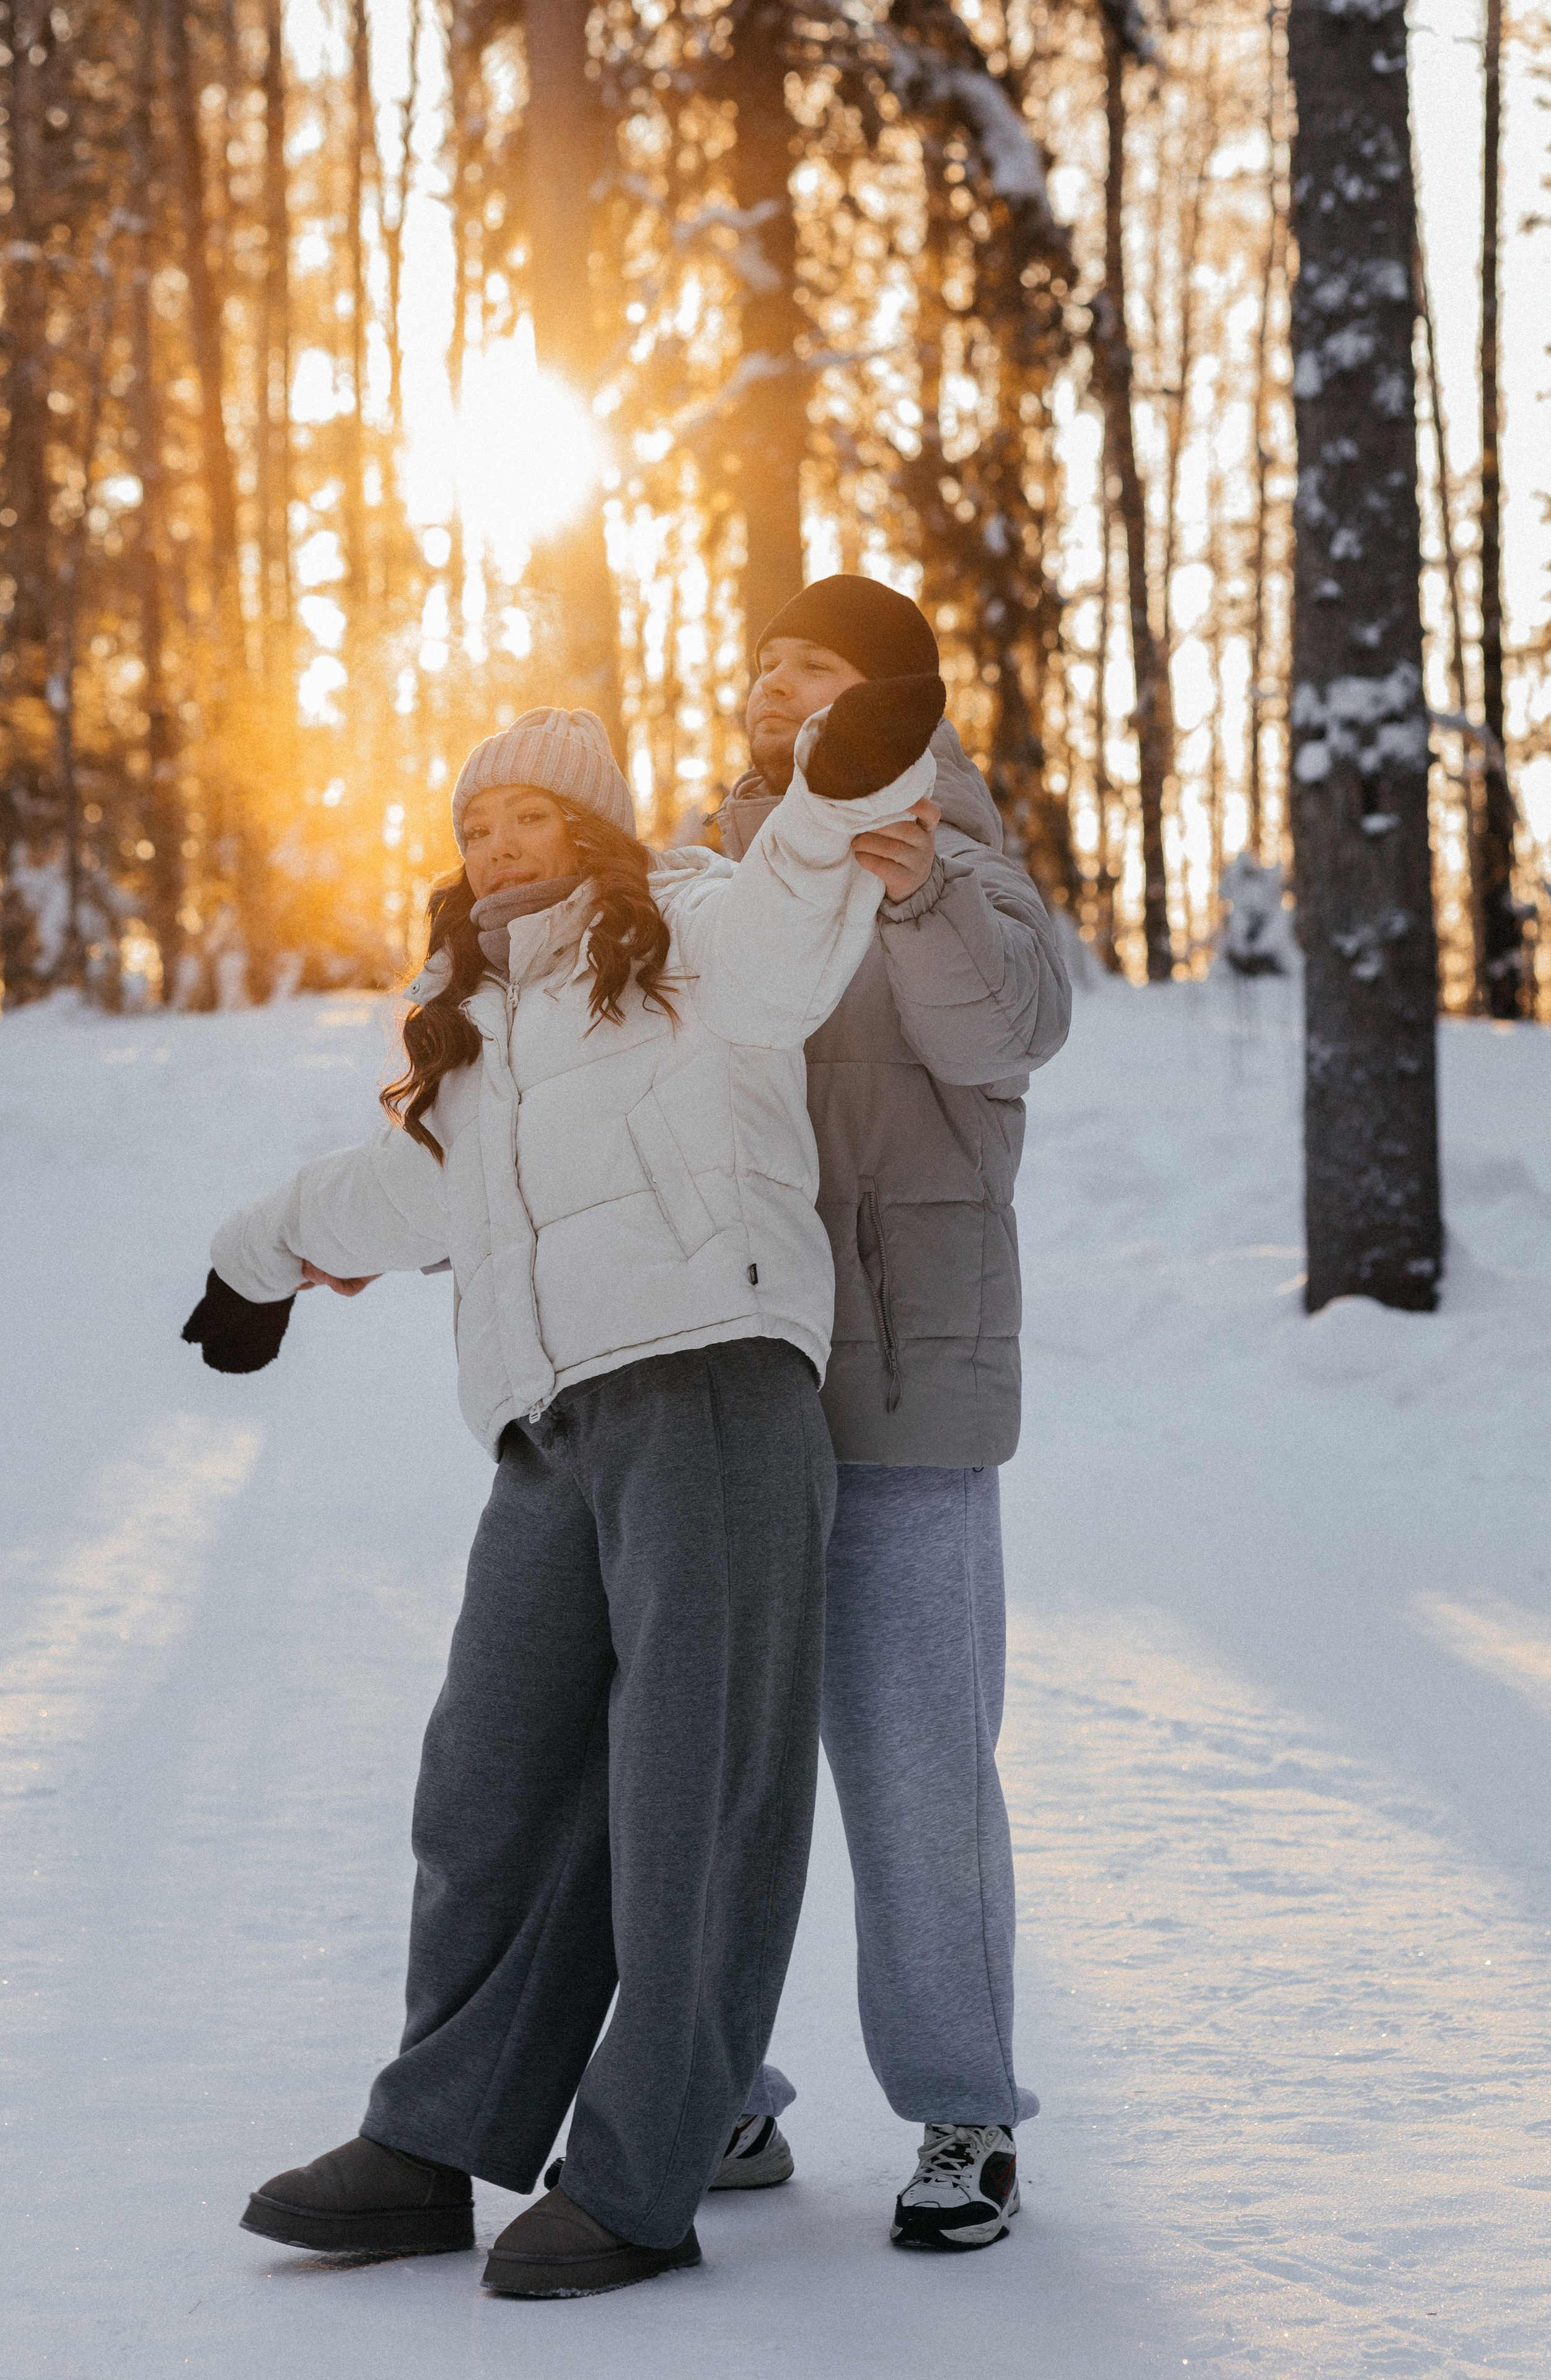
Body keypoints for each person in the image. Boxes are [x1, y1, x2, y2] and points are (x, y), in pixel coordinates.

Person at [181, 689, 947, 2298]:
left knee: (698, 1792)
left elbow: (795, 929)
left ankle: (645, 2166)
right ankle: (433, 2136)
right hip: (549, 1423)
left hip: (714, 1384)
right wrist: (251, 1258)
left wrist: (831, 790)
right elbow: (404, 1187)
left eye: (527, 813)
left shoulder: (685, 924)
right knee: (488, 1779)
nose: (497, 843)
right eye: (473, 824)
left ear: (589, 822)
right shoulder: (478, 1021)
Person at [714, 575, 1073, 2252]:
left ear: (896, 697)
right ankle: (708, 2094)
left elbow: (1010, 1036)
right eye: (765, 657)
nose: (776, 680)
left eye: (815, 660)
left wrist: (919, 890)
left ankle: (963, 2114)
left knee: (920, 1774)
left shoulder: (967, 865)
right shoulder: (720, 868)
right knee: (703, 1771)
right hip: (730, 1380)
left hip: (913, 1387)